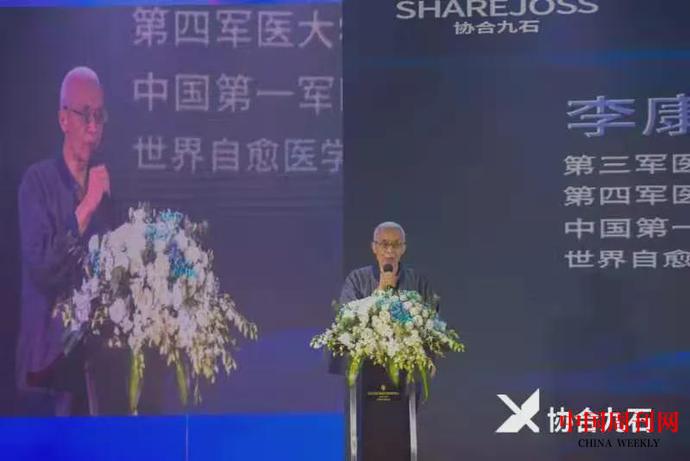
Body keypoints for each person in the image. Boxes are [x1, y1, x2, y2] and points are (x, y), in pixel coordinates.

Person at [16, 66, 113, 416]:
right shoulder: (37, 183)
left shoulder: (106, 190)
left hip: (93, 375)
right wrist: (85, 207)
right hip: (47, 371)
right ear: (63, 119)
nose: (93, 126)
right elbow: (43, 267)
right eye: (84, 114)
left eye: (99, 116)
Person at [340, 221, 436, 306]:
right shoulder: (357, 279)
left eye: (396, 244)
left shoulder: (417, 281)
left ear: (403, 249)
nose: (390, 250)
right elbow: (346, 315)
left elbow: (432, 315)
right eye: (384, 244)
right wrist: (381, 290)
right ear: (374, 247)